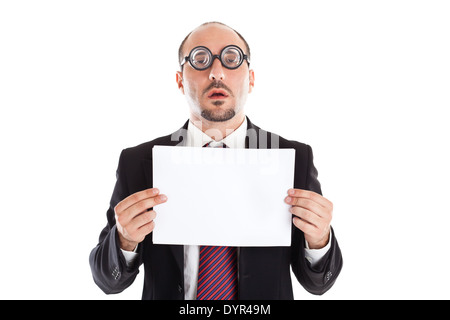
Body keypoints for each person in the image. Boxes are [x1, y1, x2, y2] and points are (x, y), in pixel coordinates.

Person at [89, 21, 343, 300]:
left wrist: (319, 241)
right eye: (200, 59)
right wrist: (124, 239)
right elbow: (107, 281)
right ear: (179, 80)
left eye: (231, 59)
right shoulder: (138, 162)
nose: (216, 72)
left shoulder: (293, 158)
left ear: (252, 79)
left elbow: (318, 284)